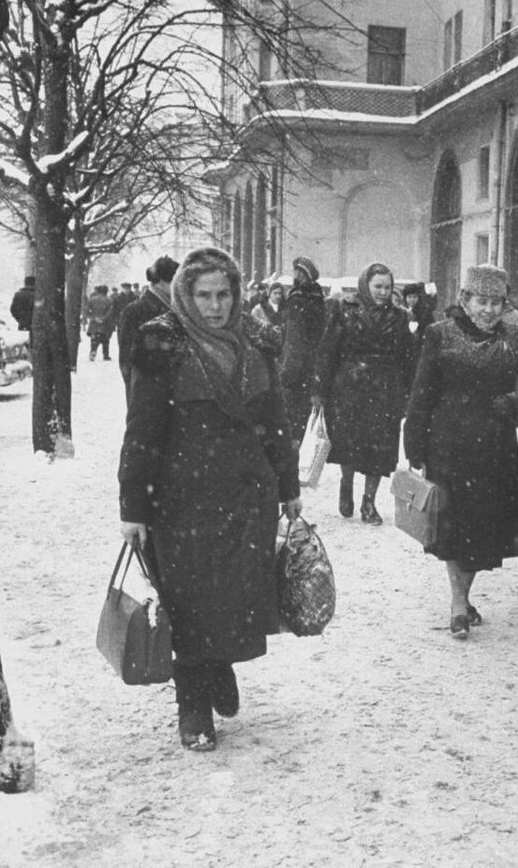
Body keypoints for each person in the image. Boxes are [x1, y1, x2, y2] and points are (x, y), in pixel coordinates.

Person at [119, 247, 301, 751]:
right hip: (182, 501)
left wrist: (288, 486)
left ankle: (220, 665)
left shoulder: (256, 343)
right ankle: (192, 705)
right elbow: (143, 431)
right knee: (190, 604)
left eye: (224, 294)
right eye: (205, 295)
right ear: (185, 295)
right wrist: (133, 507)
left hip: (247, 499)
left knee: (237, 596)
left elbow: (275, 421)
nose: (216, 306)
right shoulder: (161, 344)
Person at [403, 264, 518, 639]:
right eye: (482, 301)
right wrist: (414, 444)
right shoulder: (439, 335)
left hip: (495, 446)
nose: (489, 310)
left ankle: (463, 597)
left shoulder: (516, 337)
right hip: (448, 444)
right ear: (464, 300)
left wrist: (511, 404)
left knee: (482, 527)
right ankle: (458, 603)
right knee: (452, 527)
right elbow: (422, 393)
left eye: (497, 302)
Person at [314, 262, 416, 525]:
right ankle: (346, 484)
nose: (383, 292)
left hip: (385, 390)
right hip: (349, 388)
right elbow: (328, 352)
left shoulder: (400, 316)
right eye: (377, 286)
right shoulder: (344, 310)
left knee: (380, 449)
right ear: (365, 286)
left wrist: (410, 395)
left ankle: (368, 502)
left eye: (387, 287)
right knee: (349, 444)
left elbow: (408, 358)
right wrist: (320, 390)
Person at [117, 256, 179, 397]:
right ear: (161, 282)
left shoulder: (175, 307)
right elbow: (127, 360)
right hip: (147, 395)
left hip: (172, 391)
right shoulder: (136, 311)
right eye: (176, 282)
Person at [280, 256, 327, 442]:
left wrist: (287, 372)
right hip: (313, 367)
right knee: (303, 420)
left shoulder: (297, 299)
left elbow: (294, 339)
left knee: (290, 422)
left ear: (300, 273)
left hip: (296, 368)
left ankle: (291, 460)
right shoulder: (319, 298)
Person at [84, 285, 116, 361]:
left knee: (94, 339)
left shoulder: (92, 300)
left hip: (94, 323)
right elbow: (111, 312)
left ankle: (93, 351)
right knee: (105, 339)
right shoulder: (109, 300)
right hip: (105, 323)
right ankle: (106, 354)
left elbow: (86, 311)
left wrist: (93, 317)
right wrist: (103, 318)